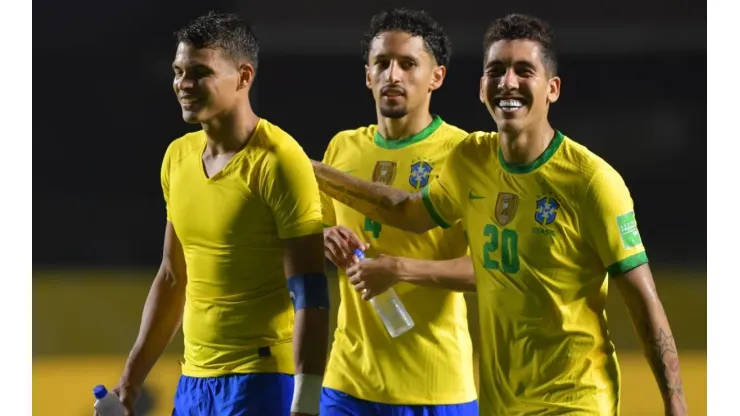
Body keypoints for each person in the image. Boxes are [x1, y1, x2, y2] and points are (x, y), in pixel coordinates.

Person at [311, 13, 688, 416]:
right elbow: (407, 209)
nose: (508, 82)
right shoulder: (472, 160)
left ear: (552, 89)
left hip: (573, 399)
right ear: (481, 88)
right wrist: (309, 171)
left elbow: (643, 301)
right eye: (496, 71)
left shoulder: (592, 181)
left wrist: (675, 402)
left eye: (524, 71)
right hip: (497, 401)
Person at [101, 12, 329, 416]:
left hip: (261, 381)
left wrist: (306, 403)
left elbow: (310, 295)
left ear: (243, 77)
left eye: (199, 72)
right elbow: (172, 277)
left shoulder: (280, 162)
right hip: (193, 383)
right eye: (178, 71)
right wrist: (130, 382)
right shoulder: (177, 158)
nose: (183, 84)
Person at [318, 8, 478, 416]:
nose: (393, 76)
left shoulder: (464, 153)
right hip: (348, 383)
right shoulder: (342, 148)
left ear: (436, 77)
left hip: (435, 387)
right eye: (382, 64)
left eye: (408, 64)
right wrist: (322, 239)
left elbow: (488, 269)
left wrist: (400, 268)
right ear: (367, 75)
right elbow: (309, 231)